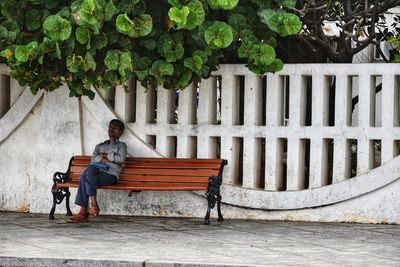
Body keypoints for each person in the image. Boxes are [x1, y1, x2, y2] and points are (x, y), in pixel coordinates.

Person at [68, 119, 127, 223]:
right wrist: (111, 159)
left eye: (115, 128)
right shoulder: (99, 146)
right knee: (89, 172)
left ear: (121, 132)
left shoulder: (121, 146)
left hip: (110, 176)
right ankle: (93, 205)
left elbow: (121, 159)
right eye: (110, 127)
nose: (111, 129)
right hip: (95, 173)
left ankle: (84, 211)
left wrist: (104, 156)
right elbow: (93, 160)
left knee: (85, 176)